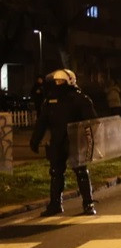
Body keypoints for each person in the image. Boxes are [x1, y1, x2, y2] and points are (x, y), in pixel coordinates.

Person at [28, 69, 99, 216]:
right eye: (56, 81)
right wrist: (35, 140)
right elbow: (42, 122)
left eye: (61, 81)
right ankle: (55, 204)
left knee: (81, 172)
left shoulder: (80, 99)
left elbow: (92, 122)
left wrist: (90, 140)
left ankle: (88, 203)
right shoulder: (50, 100)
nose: (58, 84)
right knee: (55, 173)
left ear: (70, 81)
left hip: (75, 141)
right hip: (57, 142)